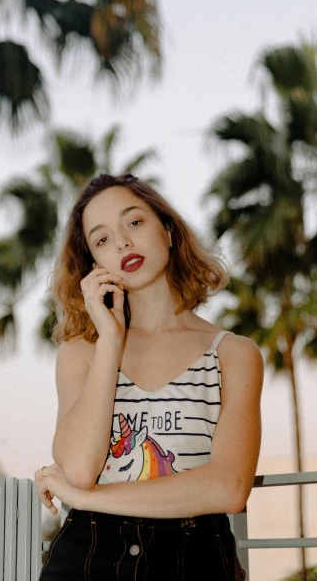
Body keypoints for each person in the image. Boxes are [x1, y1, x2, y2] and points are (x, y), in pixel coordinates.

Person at [35, 173, 263, 580]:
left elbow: (228, 488)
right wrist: (109, 339)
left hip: (194, 557)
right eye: (101, 239)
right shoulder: (81, 352)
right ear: (93, 265)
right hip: (87, 557)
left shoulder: (233, 354)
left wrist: (89, 498)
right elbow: (78, 470)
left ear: (169, 231)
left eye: (134, 222)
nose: (122, 242)